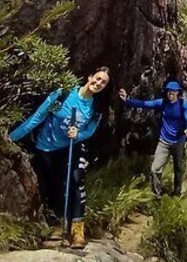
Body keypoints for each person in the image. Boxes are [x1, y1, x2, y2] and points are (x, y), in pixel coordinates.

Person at [7, 66, 110, 248]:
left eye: (103, 82)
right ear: (90, 76)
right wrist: (11, 138)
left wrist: (77, 134)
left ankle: (78, 232)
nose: (98, 83)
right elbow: (38, 116)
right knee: (54, 185)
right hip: (46, 146)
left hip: (71, 146)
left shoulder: (97, 108)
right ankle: (59, 224)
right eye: (98, 78)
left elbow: (90, 130)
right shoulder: (63, 94)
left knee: (77, 180)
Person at [119, 80, 187, 198]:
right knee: (155, 168)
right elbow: (145, 104)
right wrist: (127, 100)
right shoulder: (162, 103)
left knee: (178, 168)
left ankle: (176, 193)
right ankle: (156, 194)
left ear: (177, 93)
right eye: (169, 91)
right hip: (164, 141)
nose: (171, 93)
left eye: (173, 91)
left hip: (178, 141)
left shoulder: (183, 104)